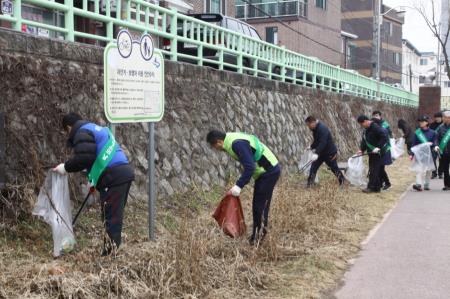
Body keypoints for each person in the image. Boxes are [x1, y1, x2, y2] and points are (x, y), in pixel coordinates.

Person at [53, 112, 135, 256]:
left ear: (69, 127)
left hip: (114, 177)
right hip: (122, 173)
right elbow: (97, 157)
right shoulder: (95, 128)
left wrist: (65, 167)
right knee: (111, 216)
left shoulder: (81, 132)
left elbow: (83, 158)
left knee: (111, 218)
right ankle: (110, 253)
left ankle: (109, 258)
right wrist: (94, 180)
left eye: (66, 132)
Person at [206, 130, 281, 245]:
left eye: (214, 147)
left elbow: (249, 167)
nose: (215, 149)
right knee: (259, 205)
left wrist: (238, 186)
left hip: (268, 171)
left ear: (219, 142)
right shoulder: (230, 139)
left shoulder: (236, 144)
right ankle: (257, 236)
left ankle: (258, 238)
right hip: (265, 172)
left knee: (259, 206)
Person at [304, 116, 345, 187]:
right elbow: (317, 141)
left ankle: (342, 181)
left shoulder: (322, 129)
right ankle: (310, 184)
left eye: (309, 125)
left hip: (329, 152)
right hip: (321, 153)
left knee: (334, 168)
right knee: (314, 166)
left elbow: (323, 142)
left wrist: (316, 153)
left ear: (313, 122)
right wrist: (311, 147)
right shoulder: (315, 129)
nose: (308, 127)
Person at [356, 115, 390, 193]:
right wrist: (361, 150)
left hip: (377, 153)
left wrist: (378, 147)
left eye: (362, 124)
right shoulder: (366, 129)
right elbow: (364, 141)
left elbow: (384, 137)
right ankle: (377, 187)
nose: (361, 126)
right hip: (371, 152)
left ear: (365, 121)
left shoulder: (375, 127)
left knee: (373, 170)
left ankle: (371, 187)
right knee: (374, 169)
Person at [411, 116, 437, 191]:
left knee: (429, 170)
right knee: (419, 169)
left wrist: (435, 146)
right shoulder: (417, 133)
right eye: (420, 122)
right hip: (419, 154)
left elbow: (435, 142)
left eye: (422, 122)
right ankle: (418, 184)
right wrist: (411, 154)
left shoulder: (433, 133)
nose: (421, 123)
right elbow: (414, 144)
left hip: (430, 154)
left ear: (427, 123)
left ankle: (426, 184)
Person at [371, 112, 392, 190]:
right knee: (379, 167)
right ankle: (381, 183)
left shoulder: (384, 125)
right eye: (374, 116)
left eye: (377, 116)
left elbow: (388, 135)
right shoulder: (375, 125)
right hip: (379, 149)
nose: (375, 117)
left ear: (380, 116)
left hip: (384, 149)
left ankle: (387, 183)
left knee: (380, 167)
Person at [436, 111, 450, 190]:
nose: (443, 119)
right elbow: (436, 138)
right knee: (445, 169)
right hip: (444, 151)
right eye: (443, 117)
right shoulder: (440, 127)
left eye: (445, 117)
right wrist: (436, 145)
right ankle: (447, 185)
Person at [430, 112, 444, 179]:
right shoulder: (432, 125)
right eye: (436, 117)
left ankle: (440, 172)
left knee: (442, 160)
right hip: (434, 144)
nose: (437, 119)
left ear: (441, 117)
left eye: (438, 117)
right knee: (433, 158)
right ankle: (434, 173)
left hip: (442, 144)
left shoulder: (444, 125)